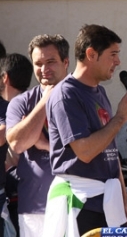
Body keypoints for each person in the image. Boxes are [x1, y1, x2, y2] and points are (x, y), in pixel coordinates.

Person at [43, 24, 127, 237]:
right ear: (91, 54)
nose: (118, 61)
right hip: (82, 202)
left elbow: (110, 151)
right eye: (112, 54)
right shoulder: (65, 95)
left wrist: (123, 199)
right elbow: (85, 152)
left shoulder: (99, 92)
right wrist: (121, 117)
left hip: (107, 201)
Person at [6, 35, 69, 237]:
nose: (44, 69)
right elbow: (17, 143)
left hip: (77, 204)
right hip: (35, 208)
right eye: (38, 64)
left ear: (66, 62)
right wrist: (45, 100)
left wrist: (44, 144)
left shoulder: (82, 97)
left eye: (50, 61)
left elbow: (89, 151)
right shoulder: (21, 102)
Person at [0, 53, 33, 237]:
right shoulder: (34, 103)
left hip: (13, 192)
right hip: (30, 191)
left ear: (5, 77)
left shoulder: (9, 106)